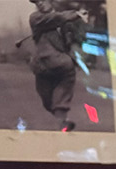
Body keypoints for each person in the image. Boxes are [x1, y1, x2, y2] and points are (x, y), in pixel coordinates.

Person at [27, 0, 86, 131]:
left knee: (62, 96)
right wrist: (76, 14)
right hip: (42, 66)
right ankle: (60, 119)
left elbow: (77, 39)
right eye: (37, 2)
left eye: (43, 0)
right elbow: (56, 18)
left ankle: (62, 123)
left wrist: (75, 30)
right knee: (48, 101)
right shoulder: (36, 18)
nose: (40, 4)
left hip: (61, 63)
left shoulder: (66, 23)